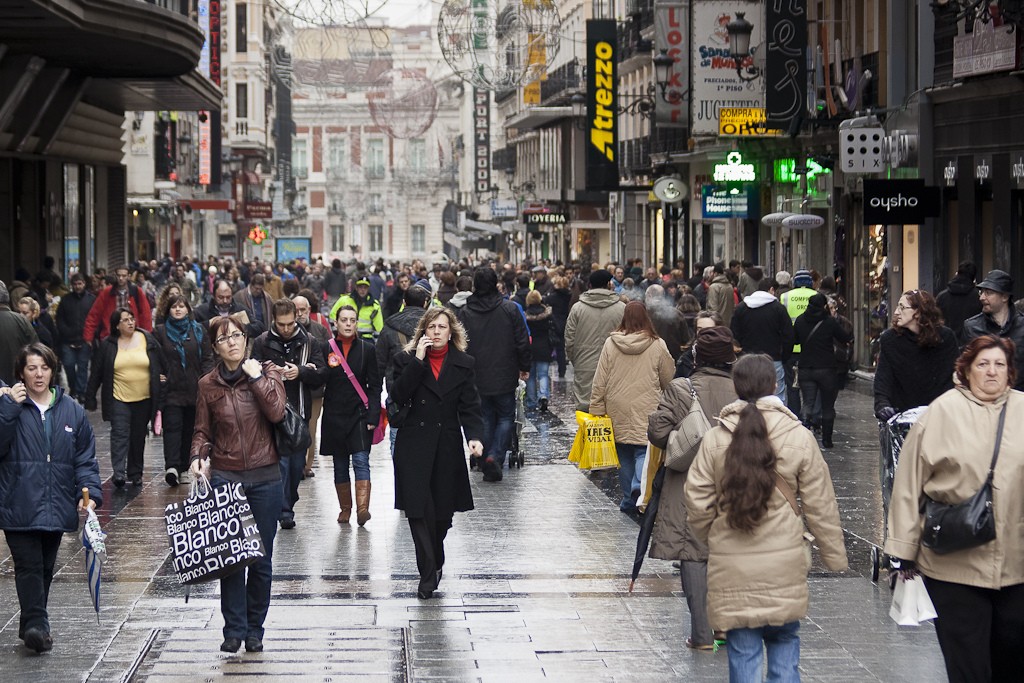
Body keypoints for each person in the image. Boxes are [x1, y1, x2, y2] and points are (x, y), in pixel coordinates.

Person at [685, 354, 848, 682]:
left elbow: (696, 499)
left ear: (737, 387)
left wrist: (712, 535)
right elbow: (821, 504)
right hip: (784, 569)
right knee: (785, 646)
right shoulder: (799, 437)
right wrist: (833, 556)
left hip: (733, 569)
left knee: (743, 653)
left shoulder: (717, 438)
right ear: (774, 385)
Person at [885, 335, 1024, 682]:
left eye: (999, 365)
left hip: (1018, 565)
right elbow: (908, 485)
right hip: (954, 564)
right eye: (983, 364)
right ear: (966, 369)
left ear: (1010, 372)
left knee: (1012, 657)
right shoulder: (942, 412)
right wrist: (903, 551)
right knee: (969, 665)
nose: (992, 372)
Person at [189, 315, 287, 654]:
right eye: (224, 338)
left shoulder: (268, 371)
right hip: (227, 476)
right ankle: (233, 629)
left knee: (260, 558)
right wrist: (197, 456)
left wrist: (257, 377)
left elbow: (277, 413)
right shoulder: (207, 385)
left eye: (237, 335)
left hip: (265, 476)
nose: (232, 341)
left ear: (246, 339)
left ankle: (255, 629)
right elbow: (202, 430)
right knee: (230, 557)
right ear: (215, 347)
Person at [0, 344, 102, 654]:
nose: (38, 374)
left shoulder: (70, 409)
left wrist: (90, 492)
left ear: (52, 370)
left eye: (43, 367)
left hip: (56, 502)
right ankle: (38, 627)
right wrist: (8, 410)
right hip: (18, 500)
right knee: (28, 565)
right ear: (21, 373)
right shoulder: (9, 405)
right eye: (31, 368)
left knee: (45, 567)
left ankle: (32, 625)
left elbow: (84, 457)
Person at [647, 326, 739, 650]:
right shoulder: (744, 389)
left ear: (698, 356)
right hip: (736, 479)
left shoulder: (681, 389)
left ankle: (702, 635)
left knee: (694, 552)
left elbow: (659, 432)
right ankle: (726, 627)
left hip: (691, 480)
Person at [390, 307, 484, 599]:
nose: (436, 332)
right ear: (423, 332)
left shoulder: (463, 363)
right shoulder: (404, 360)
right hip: (413, 445)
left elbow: (470, 405)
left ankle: (436, 555)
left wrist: (475, 437)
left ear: (451, 331)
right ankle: (427, 576)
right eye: (431, 327)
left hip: (446, 446)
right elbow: (397, 395)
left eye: (442, 327)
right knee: (418, 512)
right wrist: (417, 362)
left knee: (442, 516)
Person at [589, 301, 674, 514]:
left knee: (624, 454)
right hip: (648, 406)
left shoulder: (611, 343)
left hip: (617, 405)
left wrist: (596, 408)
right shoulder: (657, 344)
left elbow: (600, 379)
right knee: (643, 450)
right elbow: (669, 378)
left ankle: (628, 499)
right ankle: (639, 488)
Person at [252, 298, 325, 529]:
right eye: (281, 324)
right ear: (274, 320)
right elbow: (250, 372)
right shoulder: (262, 341)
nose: (286, 329)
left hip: (299, 410)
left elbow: (322, 373)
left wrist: (300, 371)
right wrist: (270, 372)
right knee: (280, 464)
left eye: (290, 324)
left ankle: (288, 502)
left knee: (295, 466)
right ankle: (283, 511)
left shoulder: (309, 341)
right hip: (272, 412)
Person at [455, 267, 530, 481]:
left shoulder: (466, 313)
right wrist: (524, 366)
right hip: (504, 372)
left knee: (485, 416)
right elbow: (521, 340)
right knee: (506, 416)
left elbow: (460, 344)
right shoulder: (509, 309)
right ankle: (495, 456)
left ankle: (487, 454)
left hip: (476, 374)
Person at [85, 307, 163, 487]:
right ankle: (119, 472)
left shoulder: (146, 338)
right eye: (125, 320)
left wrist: (164, 378)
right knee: (119, 434)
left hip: (144, 398)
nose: (130, 323)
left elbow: (161, 361)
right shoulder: (108, 345)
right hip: (118, 398)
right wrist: (90, 397)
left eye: (132, 319)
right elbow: (97, 372)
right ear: (117, 325)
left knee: (138, 436)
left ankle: (135, 473)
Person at [320, 305, 381, 525]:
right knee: (339, 464)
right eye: (344, 320)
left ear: (356, 323)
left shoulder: (367, 349)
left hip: (359, 414)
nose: (348, 324)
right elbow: (319, 377)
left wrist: (373, 416)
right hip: (334, 415)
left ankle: (362, 510)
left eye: (352, 320)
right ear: (336, 323)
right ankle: (345, 508)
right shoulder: (325, 348)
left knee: (361, 460)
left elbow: (374, 385)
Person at [153, 294, 213, 487]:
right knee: (172, 428)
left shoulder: (198, 330)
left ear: (188, 309)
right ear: (168, 310)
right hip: (171, 390)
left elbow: (207, 358)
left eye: (181, 306)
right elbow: (154, 358)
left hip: (195, 389)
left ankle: (187, 466)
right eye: (174, 307)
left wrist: (207, 379)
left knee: (191, 429)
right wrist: (159, 375)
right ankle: (172, 466)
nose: (178, 309)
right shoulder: (160, 332)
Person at [873, 290, 958, 422]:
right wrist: (882, 405)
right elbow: (883, 378)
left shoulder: (945, 338)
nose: (896, 312)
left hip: (938, 416)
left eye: (902, 307)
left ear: (918, 312)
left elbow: (951, 379)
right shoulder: (890, 339)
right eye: (897, 306)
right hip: (902, 416)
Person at [376, 282, 432, 453]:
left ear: (404, 303)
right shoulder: (433, 329)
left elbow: (378, 364)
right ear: (425, 303)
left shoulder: (389, 328)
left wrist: (374, 396)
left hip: (397, 395)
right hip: (428, 394)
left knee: (398, 445)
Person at [793, 294, 853, 448]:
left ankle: (804, 434)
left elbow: (795, 341)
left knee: (807, 403)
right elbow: (845, 337)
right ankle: (827, 440)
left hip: (806, 367)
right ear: (824, 306)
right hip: (826, 369)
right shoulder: (829, 322)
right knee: (827, 406)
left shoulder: (800, 320)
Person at [565, 269, 626, 412]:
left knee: (586, 408)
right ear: (609, 285)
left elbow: (569, 339)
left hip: (584, 364)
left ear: (590, 285)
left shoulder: (577, 308)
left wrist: (576, 359)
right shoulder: (621, 308)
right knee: (612, 407)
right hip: (614, 364)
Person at [731, 279, 794, 405]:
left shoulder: (741, 308)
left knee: (747, 393)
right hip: (774, 358)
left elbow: (734, 333)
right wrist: (785, 356)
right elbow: (788, 336)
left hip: (747, 358)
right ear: (771, 289)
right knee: (777, 397)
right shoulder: (778, 309)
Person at [960, 269, 1024, 390]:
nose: (982, 297)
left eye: (988, 293)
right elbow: (964, 367)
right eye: (981, 292)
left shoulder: (1022, 326)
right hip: (983, 399)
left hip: (1018, 400)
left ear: (1004, 296)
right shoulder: (972, 327)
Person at [294, 294, 330, 477]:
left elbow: (328, 357)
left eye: (303, 310)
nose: (300, 314)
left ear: (309, 310)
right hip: (293, 388)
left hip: (315, 389)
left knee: (311, 426)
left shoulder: (319, 330)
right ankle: (295, 463)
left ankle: (306, 465)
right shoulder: (287, 331)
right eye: (297, 310)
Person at [82, 265, 153, 344]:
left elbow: (145, 314)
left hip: (132, 336)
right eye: (119, 275)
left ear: (129, 276)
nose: (121, 278)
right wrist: (88, 336)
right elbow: (94, 314)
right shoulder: (106, 293)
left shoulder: (136, 291)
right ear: (115, 275)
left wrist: (147, 336)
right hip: (111, 336)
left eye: (124, 276)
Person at [779, 270, 816, 413]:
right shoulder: (817, 296)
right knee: (812, 385)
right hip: (812, 349)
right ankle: (810, 414)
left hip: (792, 349)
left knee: (792, 385)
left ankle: (795, 413)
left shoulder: (785, 297)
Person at [56, 273, 96, 401]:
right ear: (72, 285)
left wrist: (91, 335)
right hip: (68, 340)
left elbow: (95, 318)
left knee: (83, 367)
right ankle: (73, 388)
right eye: (75, 284)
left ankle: (81, 391)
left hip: (85, 340)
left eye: (80, 283)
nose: (78, 286)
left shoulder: (91, 299)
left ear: (84, 283)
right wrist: (66, 332)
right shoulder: (65, 300)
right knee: (68, 365)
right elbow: (59, 319)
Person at [936, 261, 982, 344]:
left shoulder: (942, 296)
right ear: (974, 278)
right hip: (970, 345)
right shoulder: (979, 298)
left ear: (957, 273)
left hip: (946, 344)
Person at [523, 290, 553, 411]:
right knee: (543, 375)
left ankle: (531, 401)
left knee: (531, 377)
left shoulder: (525, 316)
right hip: (544, 346)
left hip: (529, 348)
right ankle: (543, 395)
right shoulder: (547, 314)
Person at [545, 275, 571, 377]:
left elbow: (545, 300)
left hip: (554, 322)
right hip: (565, 322)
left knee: (552, 346)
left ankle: (547, 369)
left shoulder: (554, 296)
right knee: (561, 348)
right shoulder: (568, 295)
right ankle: (562, 370)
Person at [706, 262, 736, 327]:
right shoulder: (729, 286)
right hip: (728, 323)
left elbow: (712, 307)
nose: (709, 275)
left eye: (711, 272)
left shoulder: (714, 287)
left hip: (718, 324)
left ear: (715, 273)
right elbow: (733, 305)